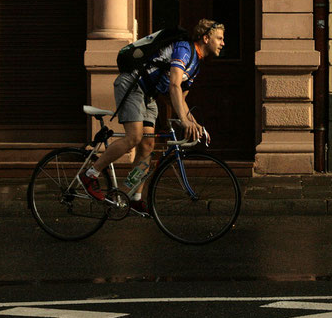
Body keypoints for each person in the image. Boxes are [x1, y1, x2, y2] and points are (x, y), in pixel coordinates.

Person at [78, 19, 225, 213]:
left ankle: (134, 197)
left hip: (148, 94)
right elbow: (173, 85)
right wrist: (183, 120)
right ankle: (90, 174)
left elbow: (179, 98)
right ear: (206, 38)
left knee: (147, 145)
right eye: (220, 38)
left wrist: (195, 124)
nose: (223, 43)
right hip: (133, 83)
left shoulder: (195, 64)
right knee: (134, 137)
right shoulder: (185, 49)